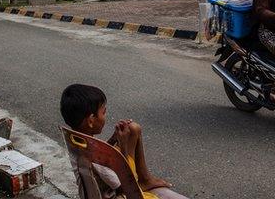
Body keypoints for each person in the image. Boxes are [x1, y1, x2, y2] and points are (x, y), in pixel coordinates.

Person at [60, 84, 188, 199]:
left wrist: (113, 139)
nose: (105, 117)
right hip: (119, 193)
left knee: (133, 129)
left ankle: (146, 179)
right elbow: (126, 184)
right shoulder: (93, 154)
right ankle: (144, 181)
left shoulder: (76, 140)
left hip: (106, 188)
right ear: (91, 120)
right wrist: (123, 144)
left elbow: (101, 160)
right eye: (103, 113)